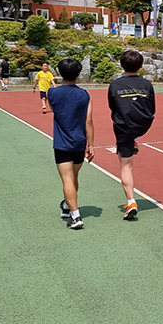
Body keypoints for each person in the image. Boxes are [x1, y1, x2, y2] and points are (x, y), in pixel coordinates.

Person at [108, 50, 156, 220]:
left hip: (124, 128)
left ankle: (131, 202)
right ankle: (135, 138)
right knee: (130, 127)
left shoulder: (115, 85)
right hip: (144, 124)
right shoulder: (147, 84)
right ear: (140, 65)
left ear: (122, 65)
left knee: (126, 166)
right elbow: (152, 106)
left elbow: (112, 107)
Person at [47, 58, 94, 230]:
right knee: (73, 178)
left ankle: (75, 216)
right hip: (79, 142)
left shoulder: (53, 93)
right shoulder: (85, 94)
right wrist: (92, 144)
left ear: (59, 73)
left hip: (62, 143)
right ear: (78, 73)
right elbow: (89, 121)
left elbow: (54, 109)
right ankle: (67, 206)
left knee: (67, 179)